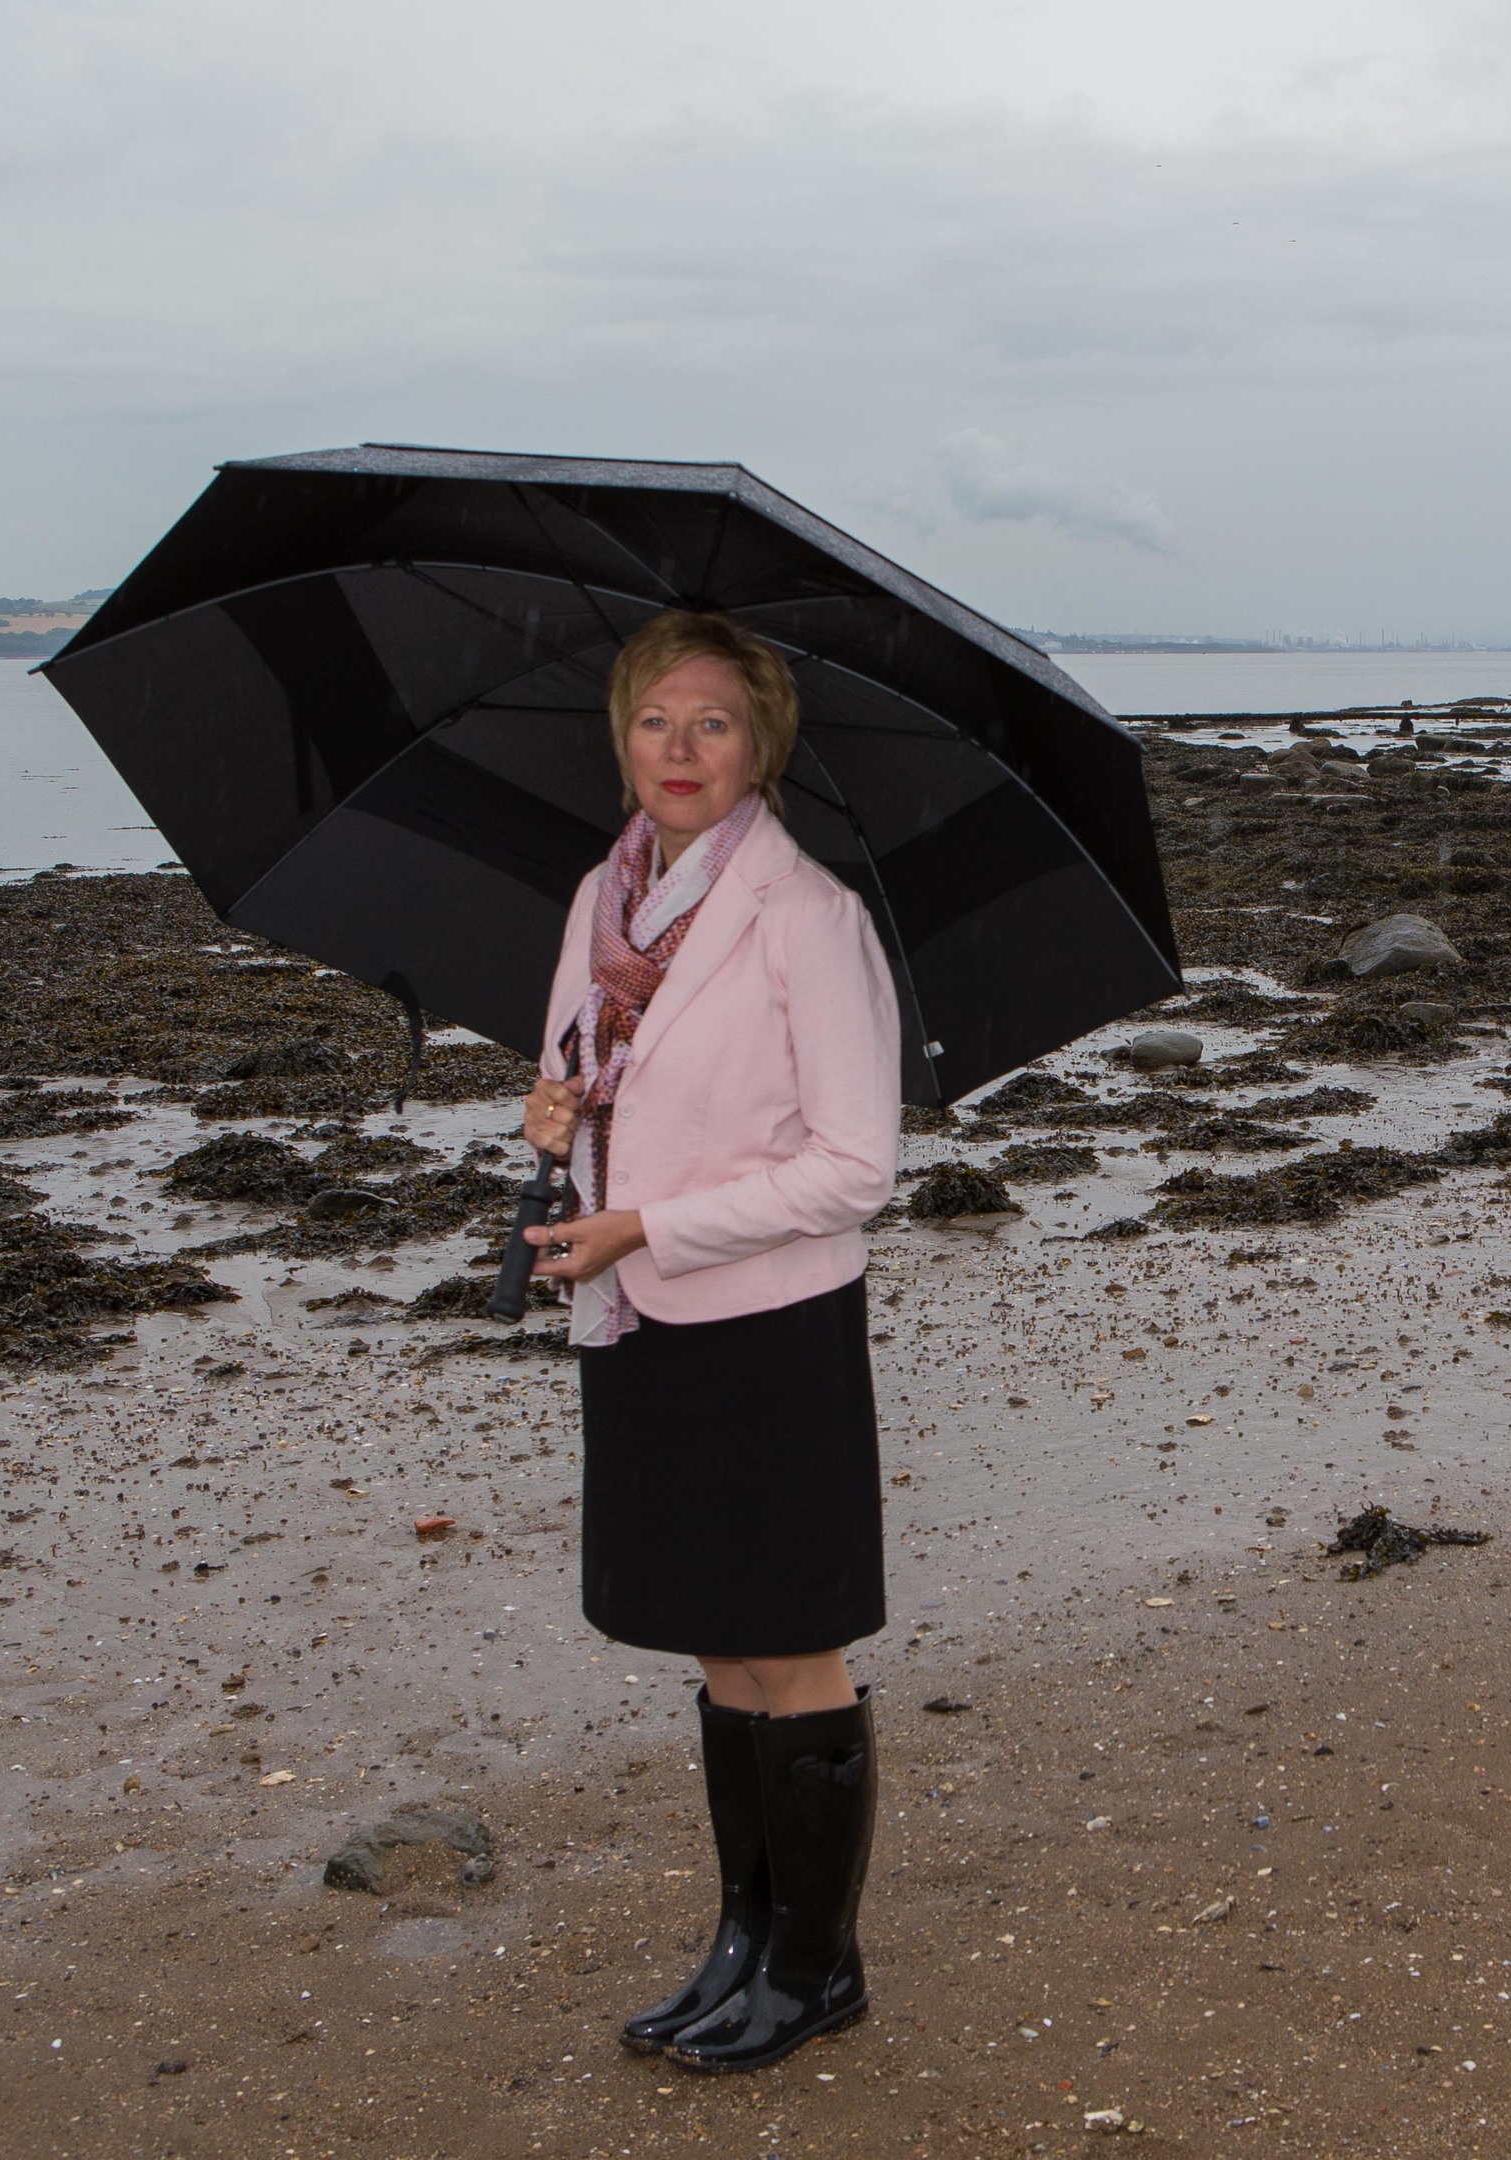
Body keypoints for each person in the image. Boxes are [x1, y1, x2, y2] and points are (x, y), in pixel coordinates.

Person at [517, 610, 901, 2075]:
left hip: (766, 1324)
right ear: (620, 736)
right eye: (654, 721)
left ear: (763, 746)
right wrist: (557, 1117)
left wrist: (649, 1226)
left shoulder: (809, 914)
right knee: (717, 1637)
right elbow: (595, 1075)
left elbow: (856, 1168)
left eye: (714, 724)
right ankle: (744, 1940)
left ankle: (817, 1966)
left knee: (789, 1642)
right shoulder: (603, 895)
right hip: (639, 1318)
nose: (678, 752)